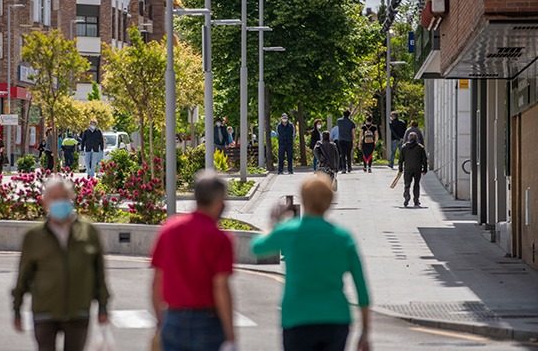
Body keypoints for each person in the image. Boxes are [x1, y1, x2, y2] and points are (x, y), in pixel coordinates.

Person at [252, 174, 371, 351]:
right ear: (330, 201)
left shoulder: (289, 232)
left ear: (304, 200)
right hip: (336, 318)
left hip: (297, 318)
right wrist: (365, 332)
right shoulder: (343, 238)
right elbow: (362, 290)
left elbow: (257, 248)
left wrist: (274, 223)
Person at [12, 177, 109, 351]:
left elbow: (99, 272)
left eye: (64, 197)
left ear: (71, 198)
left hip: (78, 311)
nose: (59, 202)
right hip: (45, 312)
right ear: (45, 202)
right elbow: (23, 276)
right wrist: (17, 309)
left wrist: (103, 306)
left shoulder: (88, 232)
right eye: (54, 198)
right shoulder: (34, 237)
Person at [151, 170, 236, 351]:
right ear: (219, 201)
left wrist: (161, 322)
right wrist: (230, 334)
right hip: (208, 322)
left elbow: (157, 280)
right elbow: (220, 286)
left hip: (172, 319)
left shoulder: (169, 230)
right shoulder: (220, 238)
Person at [399, 132, 428, 207]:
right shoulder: (420, 147)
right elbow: (424, 159)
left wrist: (400, 169)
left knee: (407, 184)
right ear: (416, 138)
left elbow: (401, 159)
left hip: (408, 168)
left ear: (408, 138)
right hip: (417, 168)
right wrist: (425, 169)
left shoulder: (404, 147)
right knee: (416, 184)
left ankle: (406, 197)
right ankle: (416, 200)